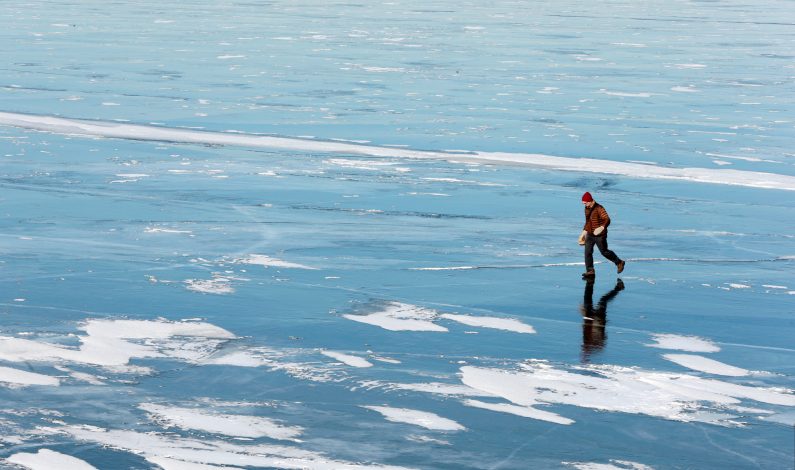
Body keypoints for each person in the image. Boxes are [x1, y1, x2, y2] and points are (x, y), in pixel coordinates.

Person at [578, 192, 625, 278]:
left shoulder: (599, 208)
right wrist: (583, 233)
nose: (584, 204)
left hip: (600, 235)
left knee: (604, 252)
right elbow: (588, 222)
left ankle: (619, 262)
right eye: (583, 203)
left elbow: (607, 219)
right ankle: (590, 271)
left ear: (590, 201)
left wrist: (601, 228)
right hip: (590, 234)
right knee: (587, 252)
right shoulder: (587, 208)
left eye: (585, 202)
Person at [580, 278, 624, 361]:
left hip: (591, 318)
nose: (582, 348)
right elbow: (599, 334)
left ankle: (590, 282)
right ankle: (618, 288)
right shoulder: (593, 343)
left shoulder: (588, 342)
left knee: (591, 298)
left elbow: (586, 330)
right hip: (597, 319)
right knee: (603, 300)